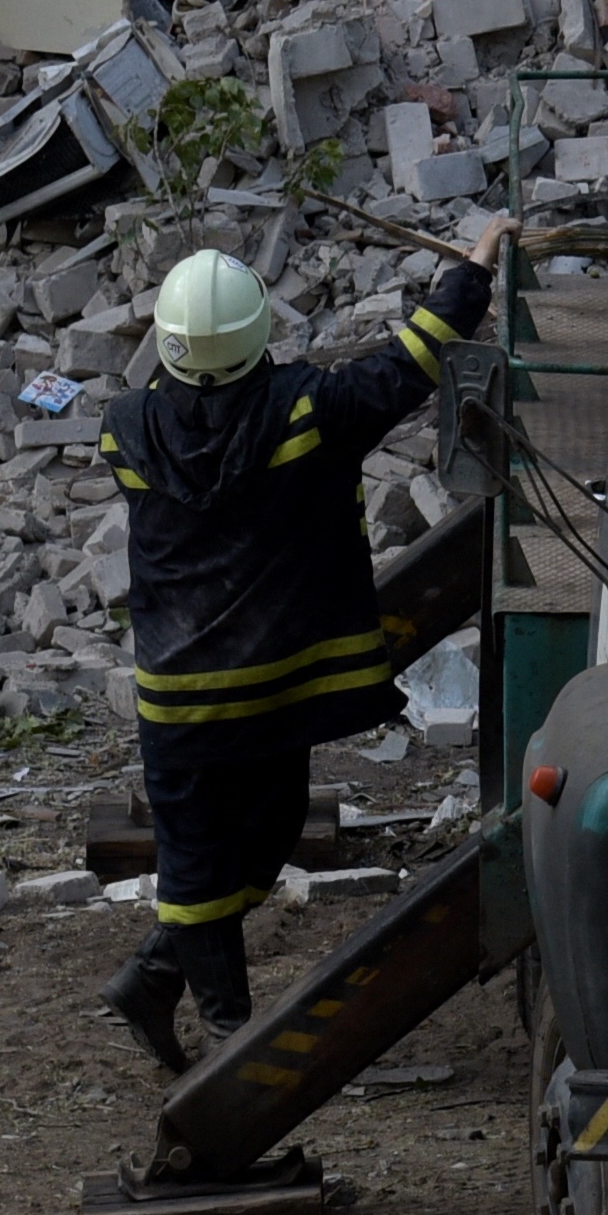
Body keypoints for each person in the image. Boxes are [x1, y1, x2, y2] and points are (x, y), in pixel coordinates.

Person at [93, 220, 504, 1072]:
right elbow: (413, 362)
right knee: (250, 842)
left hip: (180, 703)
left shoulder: (123, 430)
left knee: (212, 858)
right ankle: (230, 1046)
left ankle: (159, 976)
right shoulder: (313, 410)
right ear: (257, 333)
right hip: (277, 690)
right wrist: (472, 266)